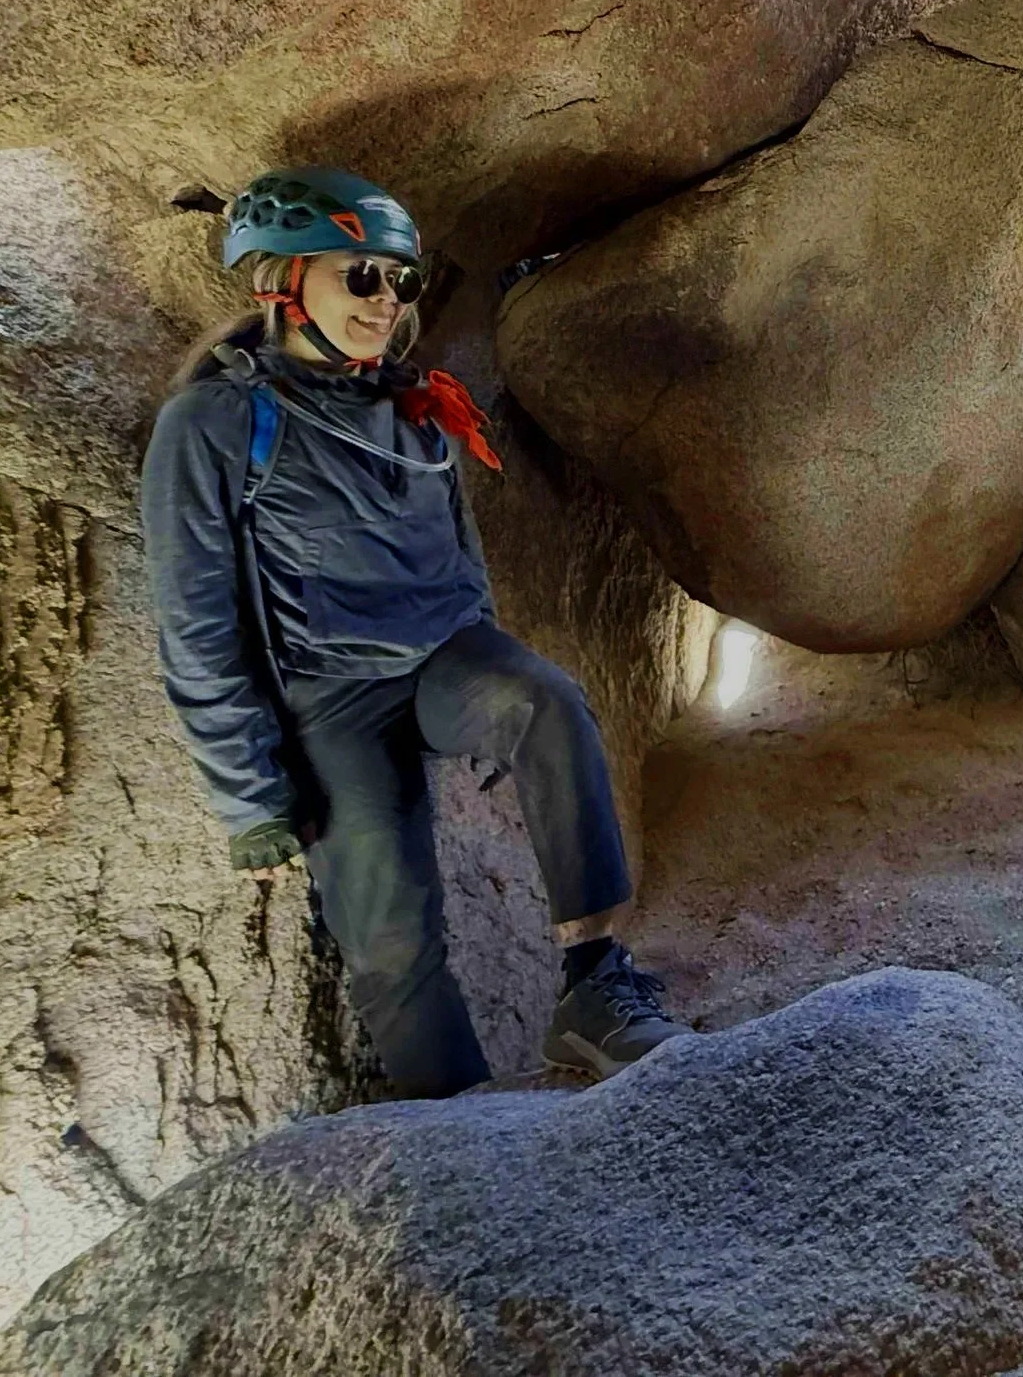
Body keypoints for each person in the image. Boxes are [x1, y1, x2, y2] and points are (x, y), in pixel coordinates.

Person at [141, 166, 690, 1094]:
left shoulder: (417, 408)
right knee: (391, 935)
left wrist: (486, 661)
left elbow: (461, 560)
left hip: (441, 659)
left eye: (399, 280)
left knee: (544, 701)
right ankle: (462, 1134)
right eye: (360, 276)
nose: (386, 300)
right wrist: (250, 795)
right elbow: (194, 618)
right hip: (330, 699)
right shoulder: (216, 423)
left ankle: (595, 986)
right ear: (280, 279)